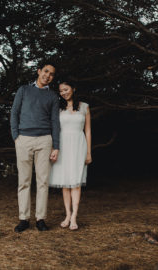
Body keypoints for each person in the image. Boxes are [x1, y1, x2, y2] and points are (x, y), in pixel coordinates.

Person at [10, 61, 60, 233]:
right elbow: (14, 113)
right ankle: (24, 219)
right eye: (46, 71)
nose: (48, 75)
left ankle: (40, 219)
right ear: (39, 71)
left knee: (42, 182)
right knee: (23, 181)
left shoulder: (53, 97)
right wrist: (16, 136)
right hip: (24, 139)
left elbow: (55, 122)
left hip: (44, 141)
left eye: (52, 74)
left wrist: (56, 146)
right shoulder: (24, 90)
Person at [49, 80, 92, 231]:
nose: (64, 93)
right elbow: (55, 129)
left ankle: (74, 216)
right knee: (65, 183)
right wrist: (54, 148)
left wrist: (88, 152)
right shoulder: (58, 108)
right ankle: (67, 214)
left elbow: (87, 131)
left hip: (79, 145)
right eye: (61, 91)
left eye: (66, 89)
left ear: (73, 88)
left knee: (76, 182)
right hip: (63, 145)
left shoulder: (84, 107)